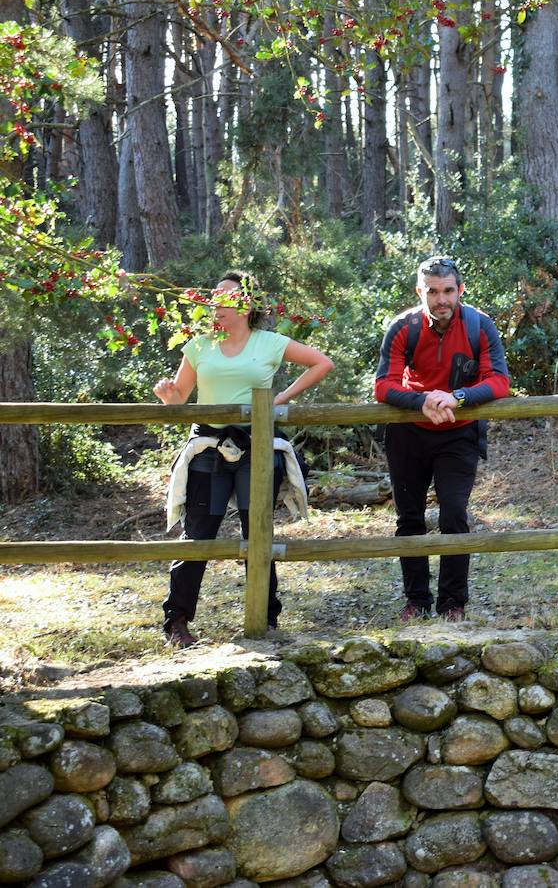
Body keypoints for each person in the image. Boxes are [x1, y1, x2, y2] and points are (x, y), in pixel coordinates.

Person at [154, 272, 334, 647]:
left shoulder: (269, 342)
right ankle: (177, 622)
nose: (218, 302)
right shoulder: (199, 346)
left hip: (257, 447)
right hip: (207, 447)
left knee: (259, 535)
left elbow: (321, 363)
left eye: (227, 296)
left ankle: (265, 619)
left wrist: (279, 400)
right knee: (198, 534)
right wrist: (169, 395)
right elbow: (180, 399)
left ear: (248, 303)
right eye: (214, 296)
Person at [374, 255, 510, 622]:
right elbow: (382, 385)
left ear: (460, 290)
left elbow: (498, 381)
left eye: (448, 290)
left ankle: (453, 604)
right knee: (409, 519)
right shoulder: (403, 326)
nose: (441, 300)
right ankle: (417, 601)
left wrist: (457, 397)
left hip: (458, 432)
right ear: (420, 292)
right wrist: (422, 401)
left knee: (453, 514)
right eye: (432, 292)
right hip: (408, 432)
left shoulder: (479, 325)